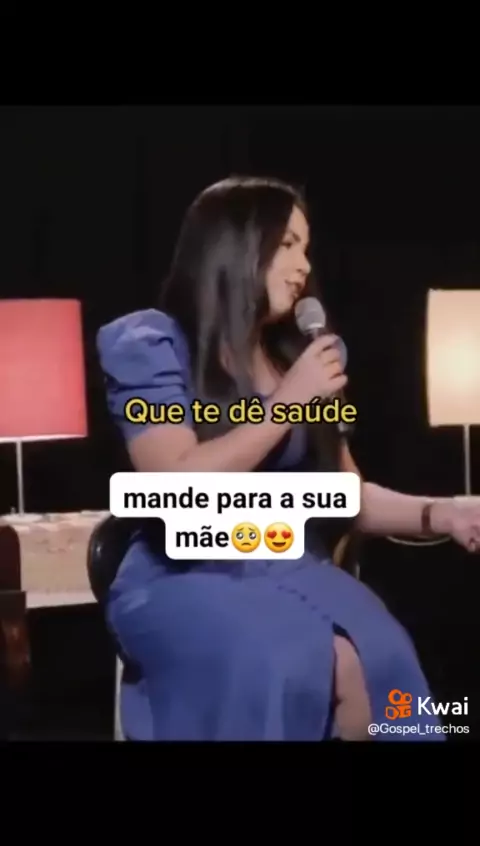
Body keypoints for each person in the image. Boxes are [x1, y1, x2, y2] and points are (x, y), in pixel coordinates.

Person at [97, 175, 480, 741]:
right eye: (287, 245)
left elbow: (345, 495)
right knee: (290, 660)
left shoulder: (298, 358)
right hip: (184, 574)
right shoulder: (153, 343)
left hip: (290, 562)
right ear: (235, 244)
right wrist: (286, 404)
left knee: (381, 660)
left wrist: (441, 513)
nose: (304, 266)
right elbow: (174, 481)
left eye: (307, 248)